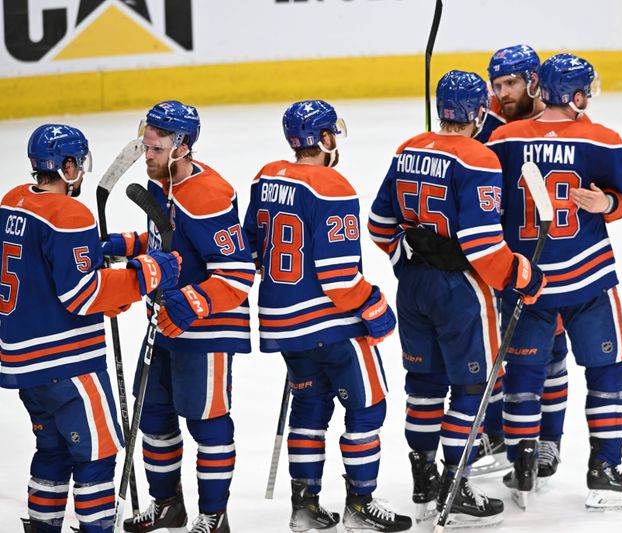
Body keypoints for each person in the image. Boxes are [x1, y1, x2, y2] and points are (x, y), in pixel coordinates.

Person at [486, 53, 622, 509]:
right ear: (579, 94)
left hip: (528, 282)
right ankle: (604, 468)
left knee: (525, 373)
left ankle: (523, 466)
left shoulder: (503, 139)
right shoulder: (601, 140)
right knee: (607, 371)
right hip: (588, 279)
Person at [368, 70, 546, 526]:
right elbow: (484, 246)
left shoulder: (408, 147)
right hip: (461, 289)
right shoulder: (480, 158)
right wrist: (522, 275)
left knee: (424, 386)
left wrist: (409, 261)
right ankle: (456, 484)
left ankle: (424, 480)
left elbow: (378, 225)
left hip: (412, 288)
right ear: (477, 112)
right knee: (470, 387)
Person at [0, 124, 181, 533]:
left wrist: (106, 279)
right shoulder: (69, 212)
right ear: (65, 167)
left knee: (52, 451)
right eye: (77, 164)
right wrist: (146, 274)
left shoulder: (12, 202)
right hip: (68, 362)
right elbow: (82, 294)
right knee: (96, 455)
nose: (80, 171)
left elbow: (44, 273)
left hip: (25, 363)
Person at [243, 100, 411, 533]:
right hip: (331, 324)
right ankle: (360, 502)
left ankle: (304, 508)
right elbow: (338, 279)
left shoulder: (266, 177)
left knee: (309, 408)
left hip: (282, 323)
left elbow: (252, 250)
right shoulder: (332, 186)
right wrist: (375, 306)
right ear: (324, 138)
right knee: (367, 409)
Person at [112, 101, 255, 533]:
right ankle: (168, 505)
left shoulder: (208, 197)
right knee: (153, 414)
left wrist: (189, 303)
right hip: (165, 325)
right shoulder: (162, 182)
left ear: (182, 146)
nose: (147, 154)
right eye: (147, 145)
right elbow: (170, 242)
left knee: (206, 422)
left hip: (207, 328)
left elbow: (237, 272)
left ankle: (213, 515)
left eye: (155, 148)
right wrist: (126, 244)